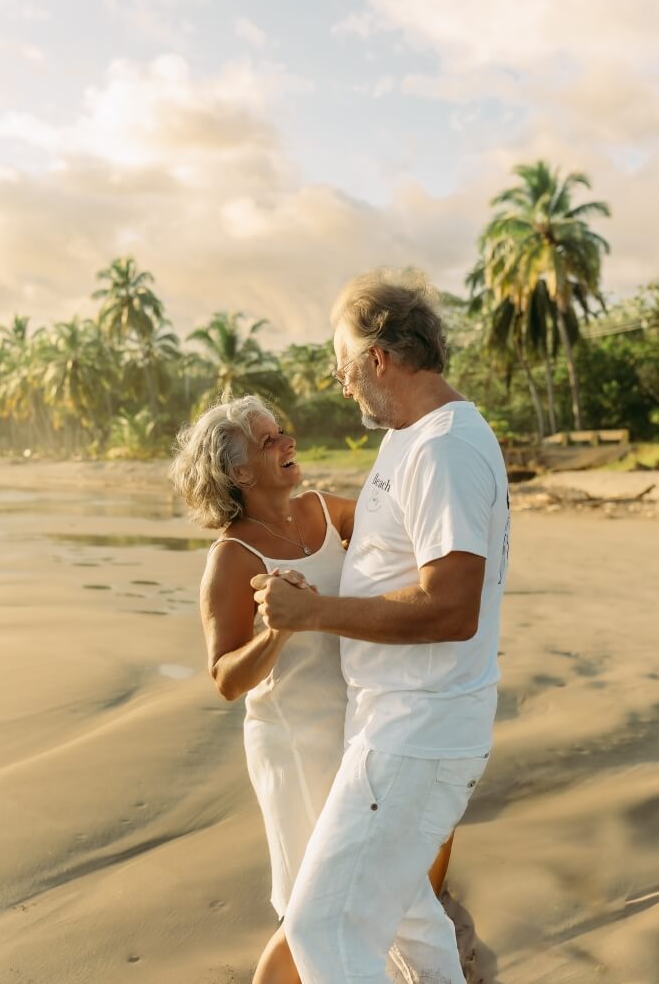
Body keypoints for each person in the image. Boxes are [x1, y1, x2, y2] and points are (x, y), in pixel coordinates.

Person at [252, 269, 510, 984]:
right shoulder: (411, 438)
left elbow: (452, 606)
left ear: (378, 357)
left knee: (320, 930)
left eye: (342, 364)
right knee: (408, 924)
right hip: (395, 726)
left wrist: (314, 613)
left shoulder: (446, 447)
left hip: (416, 734)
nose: (340, 382)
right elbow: (388, 542)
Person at [169, 395, 455, 984]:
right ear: (239, 472)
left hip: (361, 730)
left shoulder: (325, 511)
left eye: (282, 432)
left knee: (372, 887)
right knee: (319, 901)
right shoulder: (231, 557)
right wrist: (277, 630)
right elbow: (225, 677)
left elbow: (400, 534)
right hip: (294, 745)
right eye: (267, 441)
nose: (286, 443)